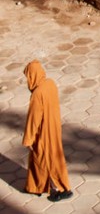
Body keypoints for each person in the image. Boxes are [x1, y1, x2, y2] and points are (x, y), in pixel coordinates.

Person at [22, 60, 72, 201]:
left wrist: (28, 139)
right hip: (54, 128)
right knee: (55, 158)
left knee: (44, 160)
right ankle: (38, 187)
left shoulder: (37, 94)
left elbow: (34, 118)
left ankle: (57, 189)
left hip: (43, 133)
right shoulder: (50, 84)